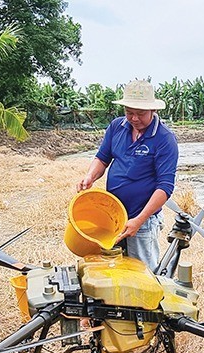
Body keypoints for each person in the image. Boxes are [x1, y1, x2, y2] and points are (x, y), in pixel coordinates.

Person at [76, 79, 179, 269]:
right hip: (112, 216)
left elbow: (165, 187)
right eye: (129, 112)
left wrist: (138, 221)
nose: (134, 118)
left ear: (153, 111)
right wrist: (90, 176)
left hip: (142, 222)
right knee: (111, 270)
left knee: (143, 274)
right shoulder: (117, 127)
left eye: (140, 114)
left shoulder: (164, 139)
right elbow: (102, 158)